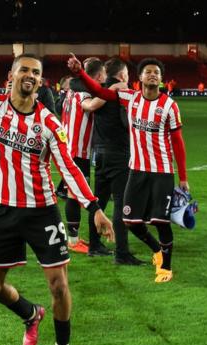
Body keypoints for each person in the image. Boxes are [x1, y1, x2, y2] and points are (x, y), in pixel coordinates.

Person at [0, 6, 114, 345]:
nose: (30, 75)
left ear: (41, 82)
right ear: (11, 77)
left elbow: (69, 167)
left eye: (36, 72)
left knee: (59, 285)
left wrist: (94, 208)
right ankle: (30, 314)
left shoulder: (50, 124)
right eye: (23, 69)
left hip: (42, 212)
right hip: (4, 211)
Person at [68, 54, 189, 283]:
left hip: (162, 172)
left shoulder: (169, 106)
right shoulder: (128, 97)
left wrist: (182, 178)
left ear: (161, 79)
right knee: (130, 221)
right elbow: (101, 93)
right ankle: (157, 250)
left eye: (157, 72)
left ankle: (166, 267)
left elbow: (178, 143)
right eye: (148, 71)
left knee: (160, 222)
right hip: (136, 170)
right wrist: (80, 73)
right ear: (140, 77)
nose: (152, 75)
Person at [83, 57, 144, 265]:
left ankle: (94, 245)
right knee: (121, 203)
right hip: (118, 153)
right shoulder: (120, 91)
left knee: (98, 202)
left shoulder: (99, 91)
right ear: (123, 74)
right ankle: (122, 252)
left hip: (98, 153)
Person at [60, 57, 108, 255]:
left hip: (70, 148)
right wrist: (109, 93)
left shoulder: (72, 91)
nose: (106, 77)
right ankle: (72, 241)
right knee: (74, 196)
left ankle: (74, 237)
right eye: (104, 74)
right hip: (76, 151)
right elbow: (89, 106)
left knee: (75, 195)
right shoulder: (83, 93)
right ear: (98, 76)